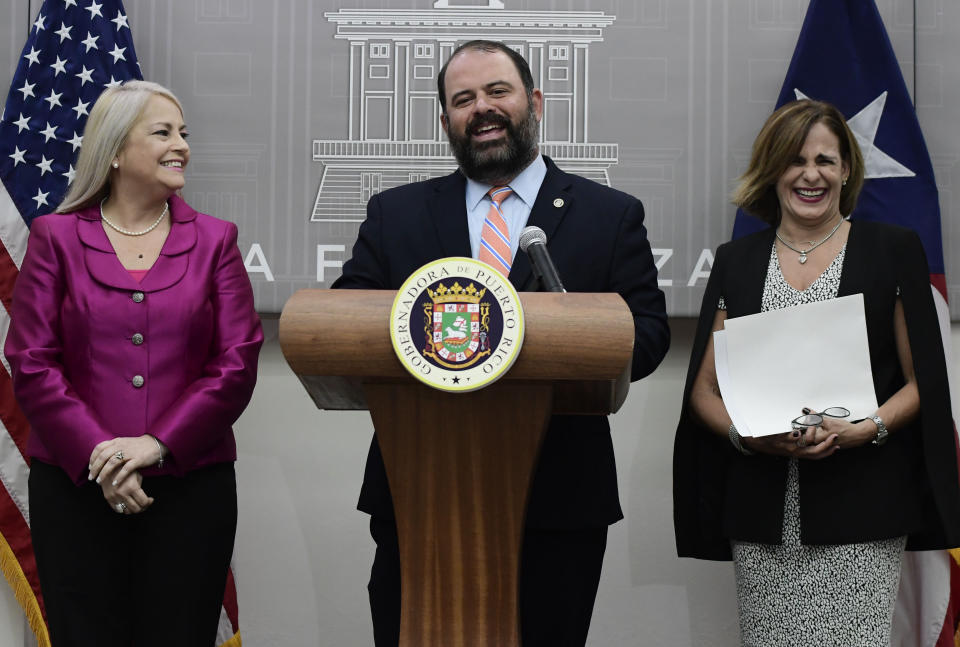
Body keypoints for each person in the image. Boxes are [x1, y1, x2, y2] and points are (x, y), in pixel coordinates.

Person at [333, 40, 669, 646]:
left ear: (534, 101)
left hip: (558, 496)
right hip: (419, 493)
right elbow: (344, 325)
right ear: (446, 123)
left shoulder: (608, 213)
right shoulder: (396, 214)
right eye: (463, 100)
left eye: (497, 92)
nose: (481, 109)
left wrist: (565, 338)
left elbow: (646, 336)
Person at [673, 99, 960, 646]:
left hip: (863, 506)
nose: (811, 174)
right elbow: (704, 391)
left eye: (826, 160)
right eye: (795, 160)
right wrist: (749, 437)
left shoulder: (892, 250)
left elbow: (924, 380)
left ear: (847, 169)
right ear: (773, 169)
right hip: (764, 512)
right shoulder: (737, 260)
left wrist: (866, 427)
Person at [5, 80, 263, 646]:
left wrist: (155, 445)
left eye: (184, 134)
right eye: (164, 132)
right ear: (116, 150)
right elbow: (30, 359)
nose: (182, 146)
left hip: (191, 491)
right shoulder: (55, 237)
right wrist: (102, 453)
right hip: (76, 490)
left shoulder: (217, 240)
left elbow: (237, 361)